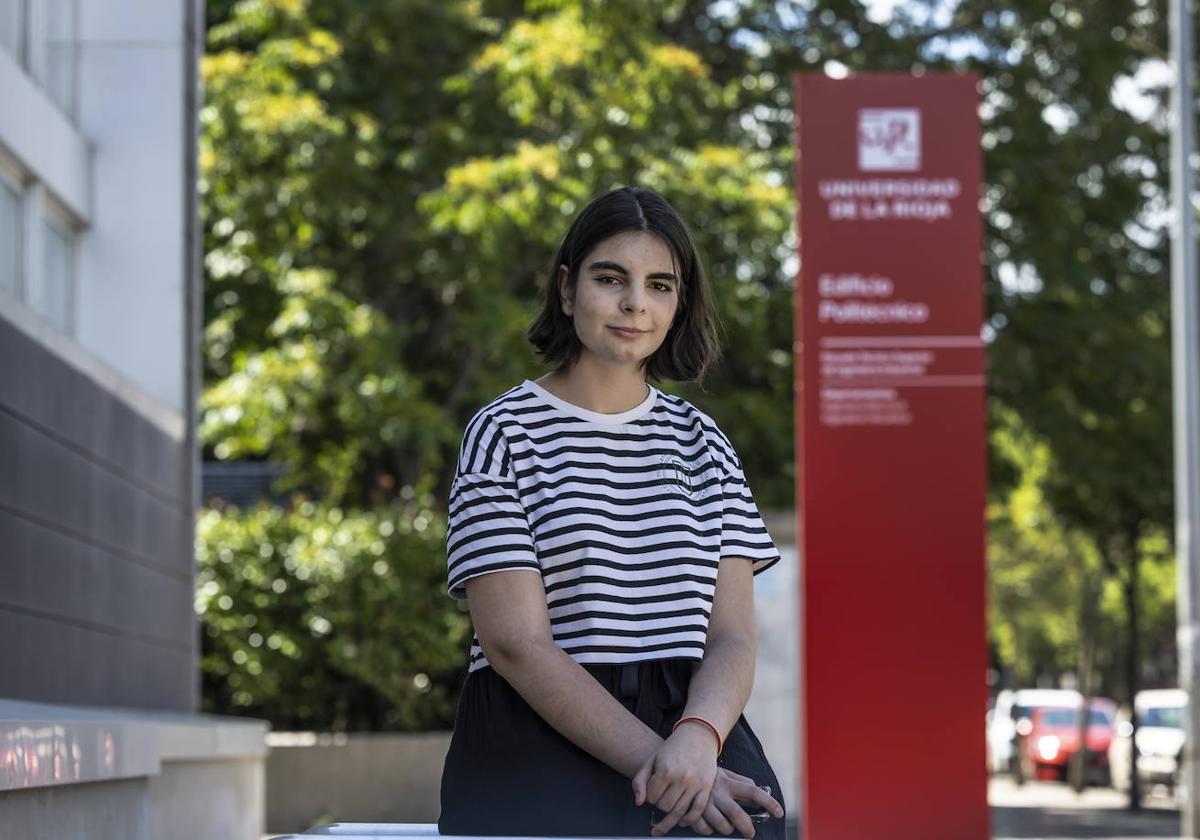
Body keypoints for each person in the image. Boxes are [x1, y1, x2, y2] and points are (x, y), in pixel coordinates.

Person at [438, 186, 786, 838]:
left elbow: (733, 636)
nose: (635, 303)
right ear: (568, 291)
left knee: (755, 823)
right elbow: (515, 642)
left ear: (679, 303)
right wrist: (661, 763)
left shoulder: (705, 444)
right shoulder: (502, 431)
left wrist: (698, 738)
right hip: (537, 730)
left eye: (660, 285)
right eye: (610, 278)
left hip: (690, 722)